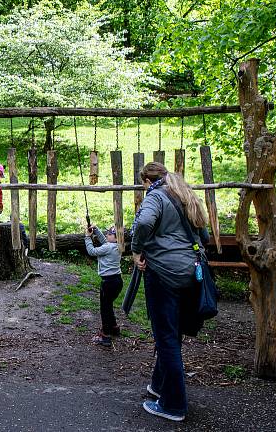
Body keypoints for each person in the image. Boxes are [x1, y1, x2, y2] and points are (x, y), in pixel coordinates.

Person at [130, 162, 210, 422]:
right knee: (172, 333)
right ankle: (159, 385)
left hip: (164, 272)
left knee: (165, 336)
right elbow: (205, 235)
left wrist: (137, 249)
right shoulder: (184, 193)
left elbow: (143, 222)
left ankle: (174, 405)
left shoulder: (156, 196)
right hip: (191, 272)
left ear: (146, 180)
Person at [84, 224, 123, 347]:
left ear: (116, 238)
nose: (107, 235)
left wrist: (87, 237)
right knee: (108, 304)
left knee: (104, 308)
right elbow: (105, 241)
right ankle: (114, 328)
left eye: (110, 234)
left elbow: (91, 251)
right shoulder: (118, 246)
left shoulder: (108, 247)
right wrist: (95, 230)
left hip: (108, 282)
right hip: (117, 281)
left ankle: (105, 336)